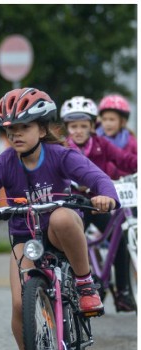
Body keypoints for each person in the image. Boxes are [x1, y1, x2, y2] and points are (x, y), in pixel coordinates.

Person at [0, 87, 118, 350]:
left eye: (24, 127)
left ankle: (85, 284)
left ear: (42, 129)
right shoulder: (1, 164)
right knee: (19, 305)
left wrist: (104, 195)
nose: (16, 135)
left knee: (61, 217)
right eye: (10, 130)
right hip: (24, 240)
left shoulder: (62, 155)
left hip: (60, 235)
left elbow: (98, 179)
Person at [60, 95, 136, 311]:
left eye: (84, 125)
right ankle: (77, 287)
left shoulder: (102, 144)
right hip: (76, 205)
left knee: (119, 238)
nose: (78, 130)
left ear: (93, 126)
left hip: (99, 203)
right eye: (73, 126)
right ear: (66, 127)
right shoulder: (62, 148)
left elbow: (125, 159)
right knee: (72, 241)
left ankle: (122, 293)